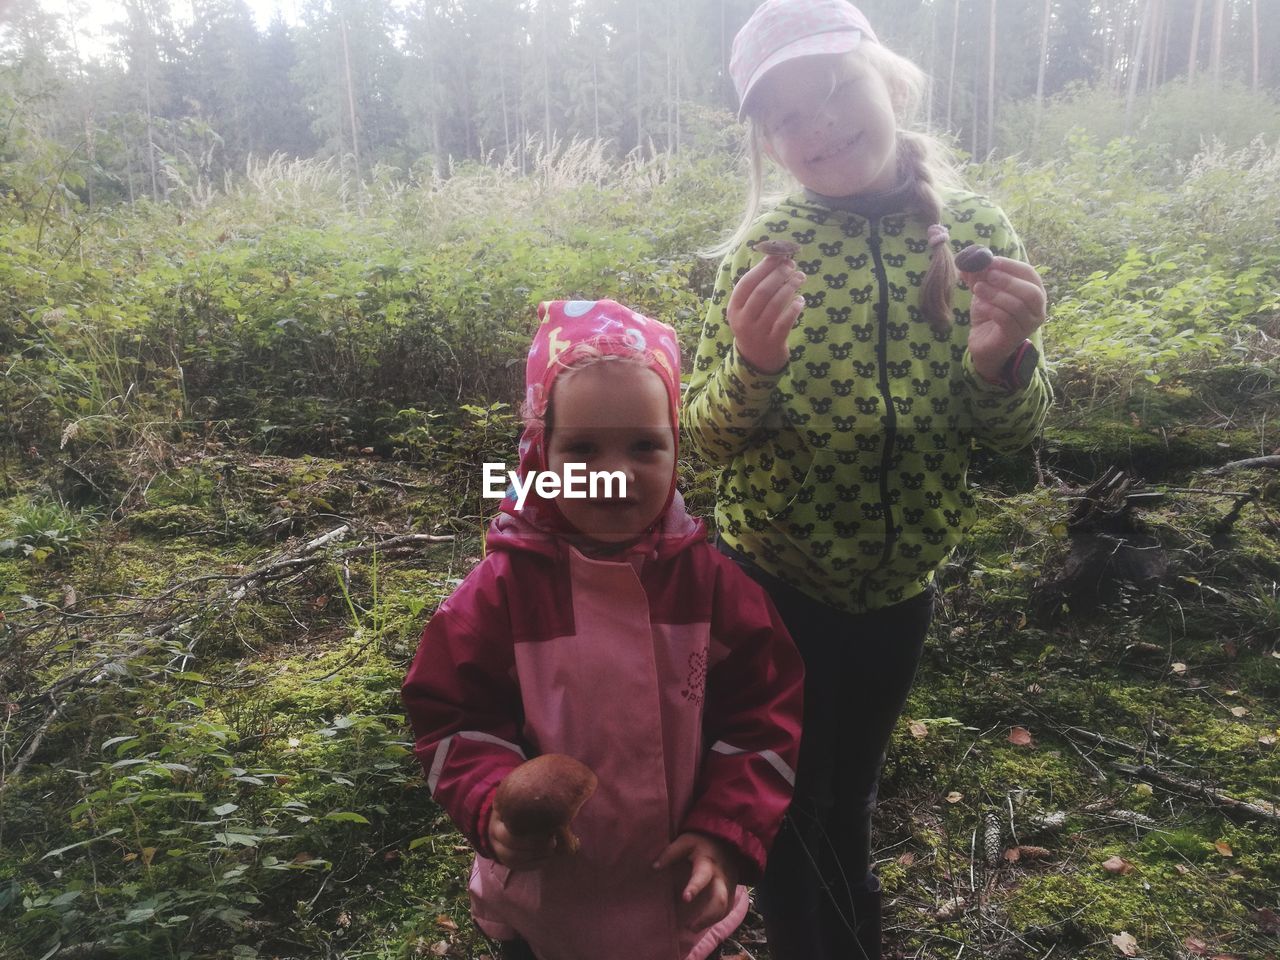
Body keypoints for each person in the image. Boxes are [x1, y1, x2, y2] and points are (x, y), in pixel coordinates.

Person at [680, 2, 1052, 958]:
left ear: (888, 81)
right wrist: (752, 367)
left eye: (836, 89)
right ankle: (823, 938)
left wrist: (1002, 361)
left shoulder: (975, 231)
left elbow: (1016, 436)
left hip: (900, 589)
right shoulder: (768, 253)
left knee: (851, 788)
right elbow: (697, 444)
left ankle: (834, 927)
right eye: (786, 116)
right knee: (793, 792)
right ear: (766, 141)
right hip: (773, 581)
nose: (820, 125)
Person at [402, 299, 804, 960]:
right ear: (539, 452)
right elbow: (452, 719)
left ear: (677, 449)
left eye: (644, 446)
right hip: (543, 900)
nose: (615, 474)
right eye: (583, 448)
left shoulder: (712, 589)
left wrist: (726, 833)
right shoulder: (501, 596)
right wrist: (492, 805)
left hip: (675, 897)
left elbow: (763, 721)